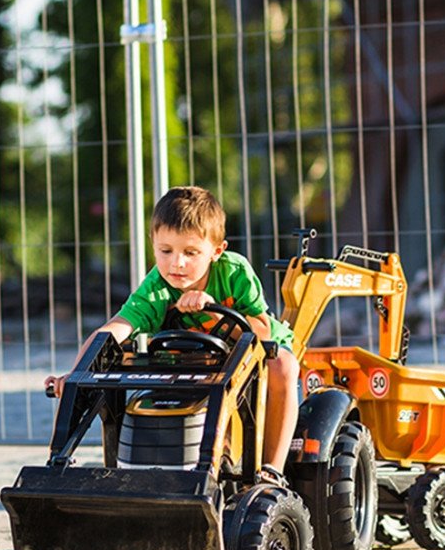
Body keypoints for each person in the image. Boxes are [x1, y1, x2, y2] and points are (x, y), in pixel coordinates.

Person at [44, 185, 299, 487]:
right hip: (191, 358)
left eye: (191, 253)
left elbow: (261, 329)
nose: (177, 263)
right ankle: (60, 465)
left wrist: (213, 311)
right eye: (166, 251)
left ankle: (271, 469)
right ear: (153, 244)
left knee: (283, 366)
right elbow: (115, 327)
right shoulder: (156, 285)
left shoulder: (234, 272)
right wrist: (75, 375)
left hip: (249, 351)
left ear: (217, 251)